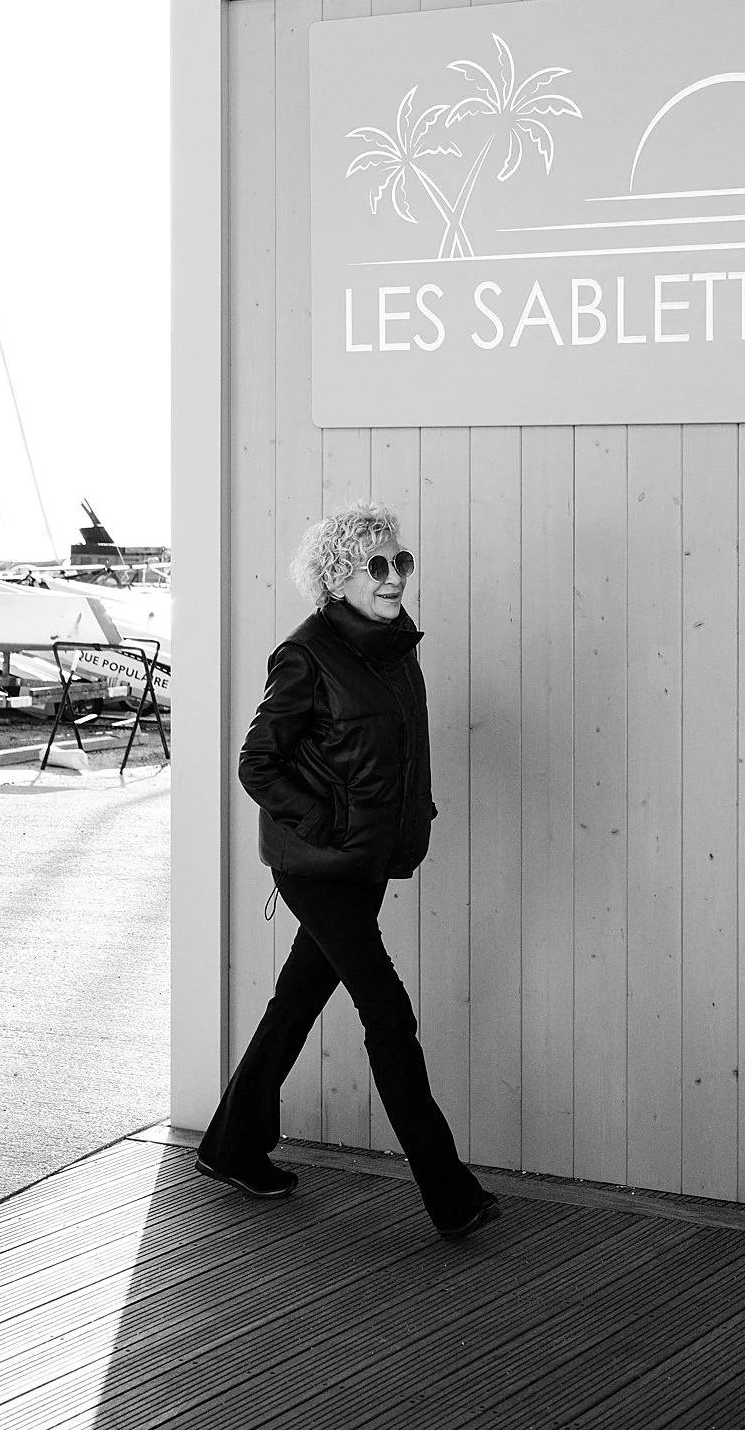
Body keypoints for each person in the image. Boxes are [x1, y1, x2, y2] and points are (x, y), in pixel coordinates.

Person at [196, 500, 500, 1240]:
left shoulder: (395, 649)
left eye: (402, 561)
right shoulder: (305, 653)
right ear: (338, 576)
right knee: (388, 1013)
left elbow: (402, 753)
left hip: (365, 861)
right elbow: (257, 762)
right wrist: (330, 821)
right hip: (316, 865)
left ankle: (230, 1145)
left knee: (296, 999)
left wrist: (409, 819)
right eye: (377, 564)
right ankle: (450, 1193)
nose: (395, 575)